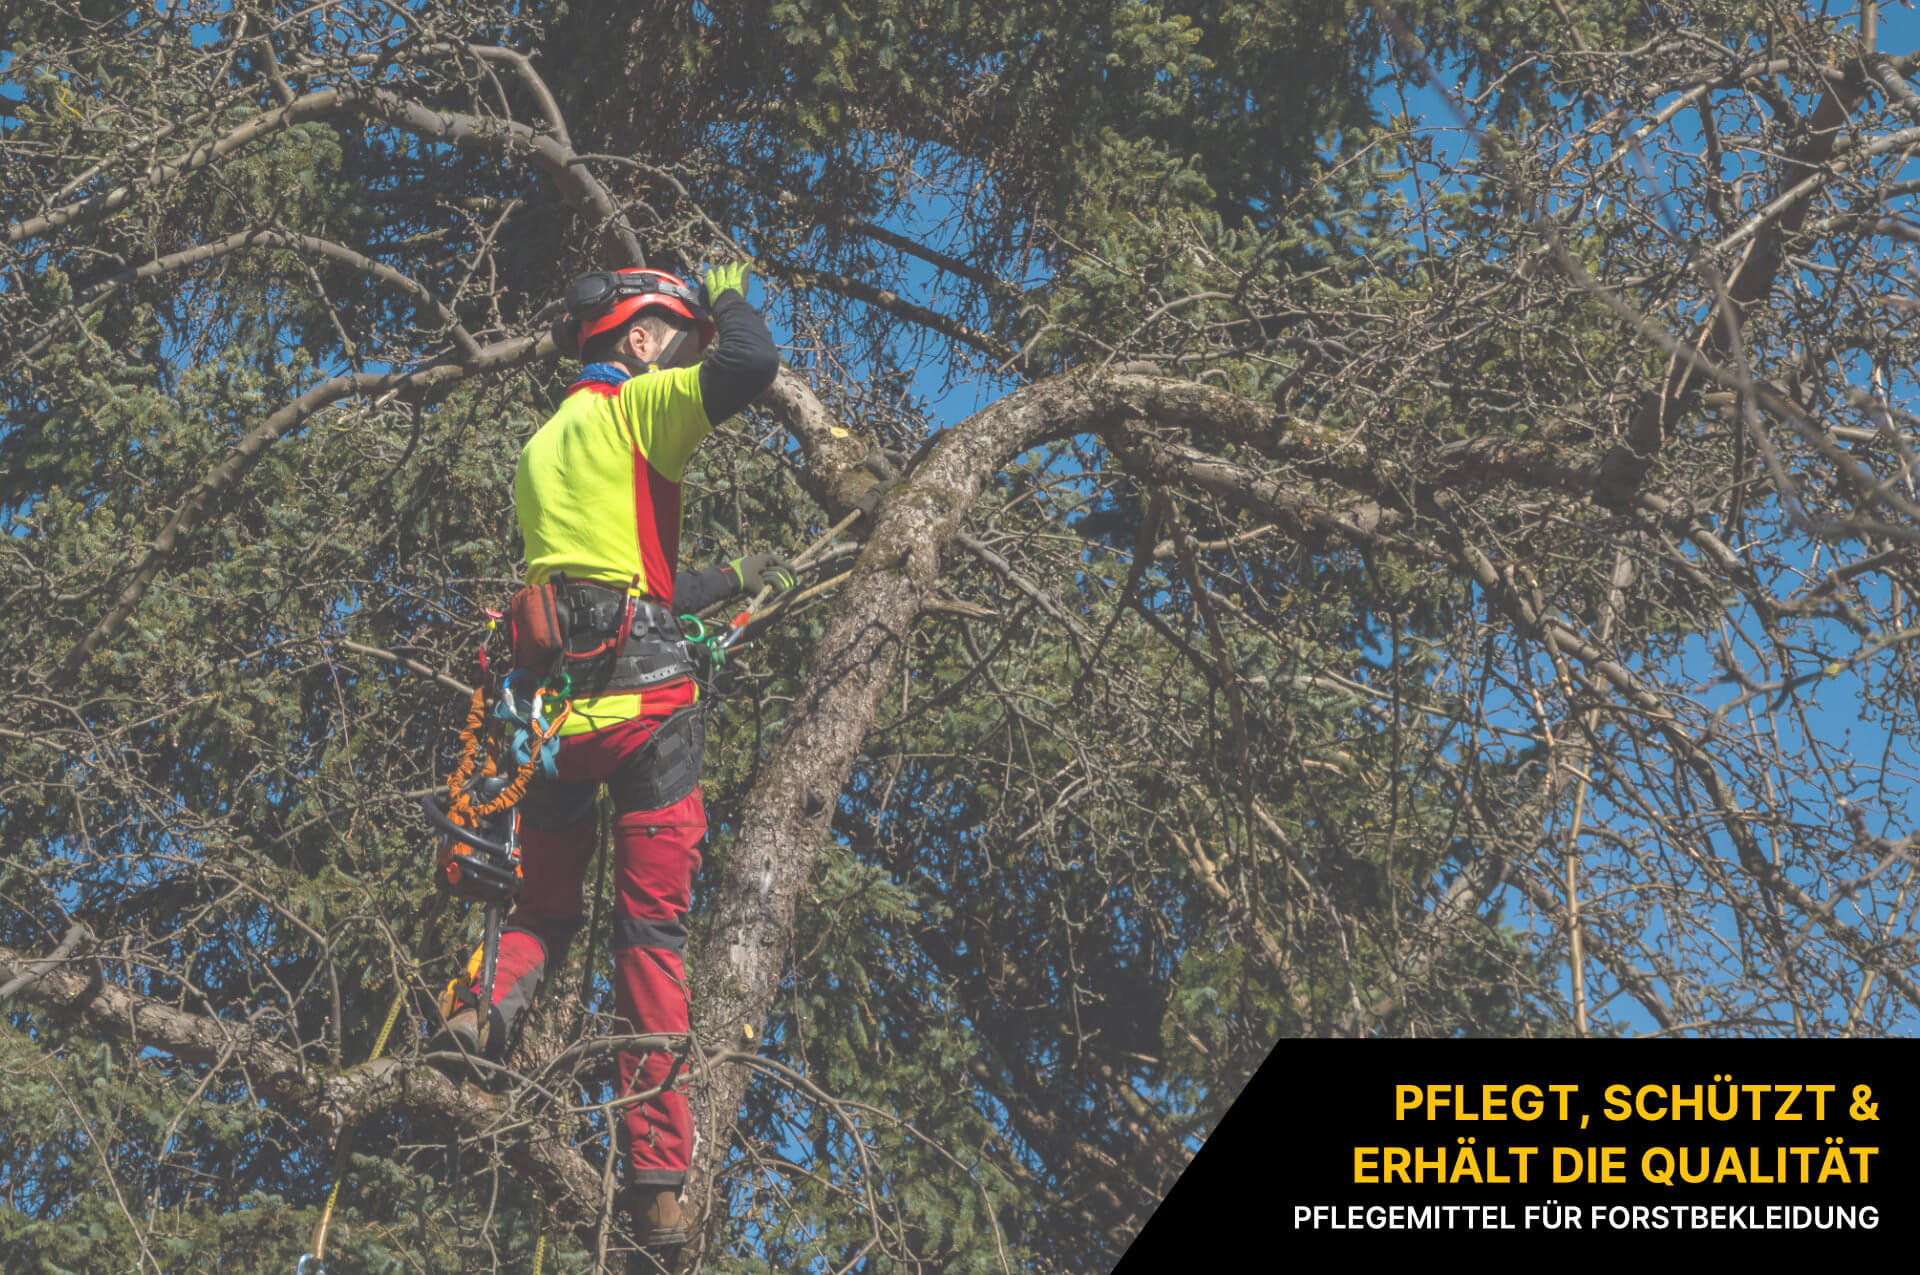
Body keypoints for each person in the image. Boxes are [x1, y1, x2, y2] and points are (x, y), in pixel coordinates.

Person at [433, 261, 779, 1272]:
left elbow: (612, 573)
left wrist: (733, 580)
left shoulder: (547, 441)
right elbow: (753, 362)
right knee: (650, 942)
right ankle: (660, 1188)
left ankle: (479, 1010)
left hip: (559, 719)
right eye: (677, 335)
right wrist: (727, 294)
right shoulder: (644, 408)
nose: (690, 354)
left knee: (541, 911)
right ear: (638, 339)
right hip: (651, 713)